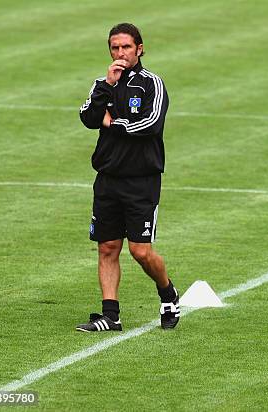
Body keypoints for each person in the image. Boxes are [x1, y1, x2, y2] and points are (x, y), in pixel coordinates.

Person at [77, 23, 179, 332]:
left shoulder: (152, 84)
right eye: (115, 48)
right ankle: (111, 315)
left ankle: (168, 293)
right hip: (108, 179)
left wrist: (113, 124)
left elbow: (150, 124)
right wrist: (107, 87)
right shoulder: (103, 83)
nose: (120, 53)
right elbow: (87, 118)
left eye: (126, 47)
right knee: (107, 247)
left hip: (141, 181)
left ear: (140, 49)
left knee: (140, 251)